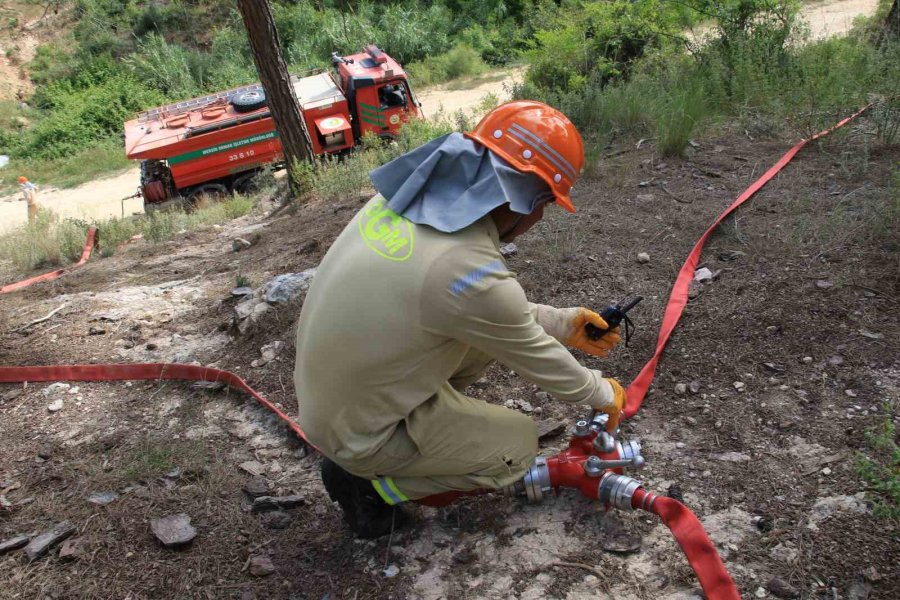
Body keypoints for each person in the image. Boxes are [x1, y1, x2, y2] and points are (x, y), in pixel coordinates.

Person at [293, 100, 626, 538]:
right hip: (355, 430)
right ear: (527, 199)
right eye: (544, 202)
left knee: (475, 341)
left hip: (334, 396)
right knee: (517, 446)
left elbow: (475, 309)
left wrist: (565, 324)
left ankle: (409, 436)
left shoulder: (407, 199)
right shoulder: (465, 268)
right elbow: (529, 349)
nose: (540, 217)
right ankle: (372, 485)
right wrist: (604, 394)